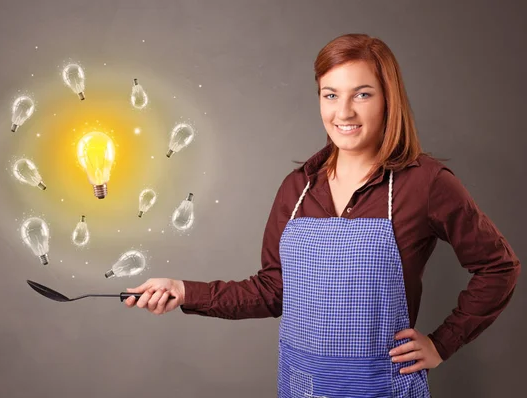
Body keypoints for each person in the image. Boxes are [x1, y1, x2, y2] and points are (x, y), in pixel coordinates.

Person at [124, 33, 521, 397]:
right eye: (330, 95)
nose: (343, 112)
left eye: (362, 94)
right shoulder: (297, 188)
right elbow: (272, 290)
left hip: (382, 388)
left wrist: (442, 342)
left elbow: (499, 267)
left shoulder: (425, 183)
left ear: (388, 99)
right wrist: (183, 290)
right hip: (304, 385)